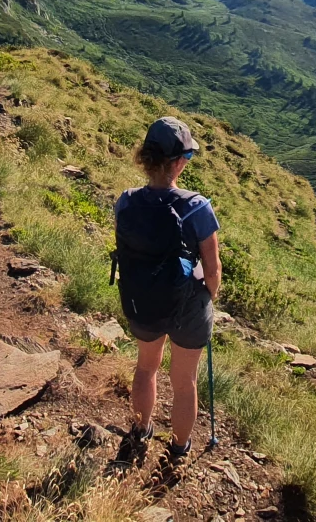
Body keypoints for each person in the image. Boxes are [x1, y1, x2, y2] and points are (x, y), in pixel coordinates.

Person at [113, 116, 221, 459]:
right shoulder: (196, 207)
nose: (186, 164)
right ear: (176, 162)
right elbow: (213, 267)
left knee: (146, 368)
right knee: (184, 381)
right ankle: (178, 448)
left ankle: (141, 430)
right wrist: (209, 295)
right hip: (187, 306)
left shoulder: (126, 201)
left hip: (141, 299)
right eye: (186, 158)